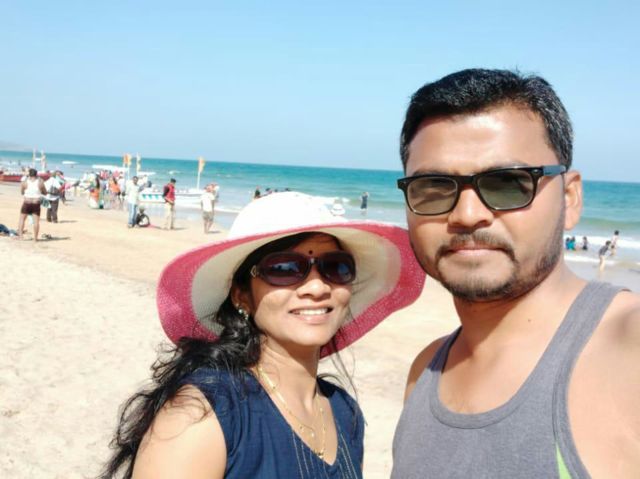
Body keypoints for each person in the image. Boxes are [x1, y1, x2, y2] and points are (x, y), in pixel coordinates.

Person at [393, 69, 640, 478]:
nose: (467, 214)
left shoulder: (628, 350)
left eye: (508, 183)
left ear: (570, 198)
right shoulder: (424, 374)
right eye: (434, 187)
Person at [100, 191, 424, 478]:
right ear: (242, 295)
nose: (316, 287)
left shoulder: (344, 412)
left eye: (336, 267)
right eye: (284, 269)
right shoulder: (202, 415)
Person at [17, 168, 47, 241]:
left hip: (27, 202)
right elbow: (45, 192)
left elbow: (22, 192)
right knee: (36, 221)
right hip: (36, 203)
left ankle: (20, 237)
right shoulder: (40, 182)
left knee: (22, 219)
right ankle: (35, 239)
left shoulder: (24, 182)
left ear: (29, 174)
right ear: (36, 174)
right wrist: (40, 192)